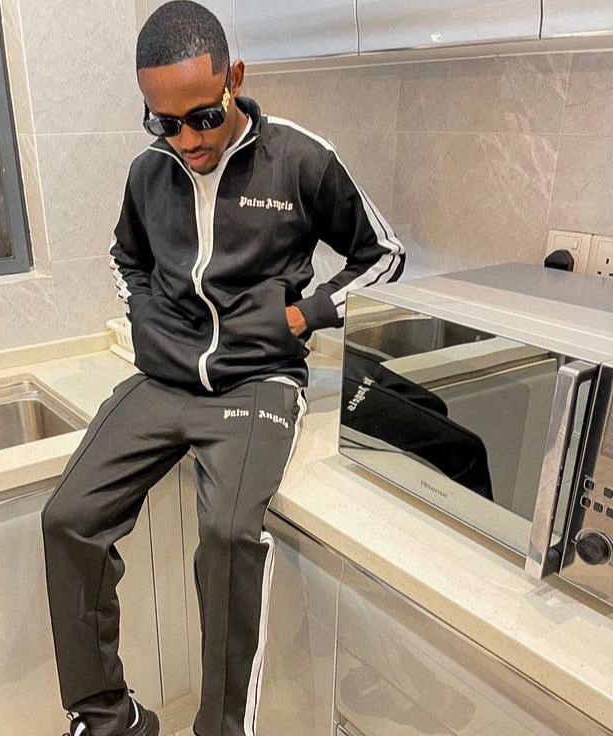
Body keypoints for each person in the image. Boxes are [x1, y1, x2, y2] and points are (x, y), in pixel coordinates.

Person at [41, 2, 405, 735]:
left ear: (234, 78)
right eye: (164, 123)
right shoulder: (149, 173)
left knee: (230, 536)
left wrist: (299, 317)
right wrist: (146, 320)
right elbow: (124, 258)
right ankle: (109, 719)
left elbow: (384, 256)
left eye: (202, 118)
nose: (187, 140)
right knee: (67, 519)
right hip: (163, 379)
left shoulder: (300, 160)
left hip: (257, 380)